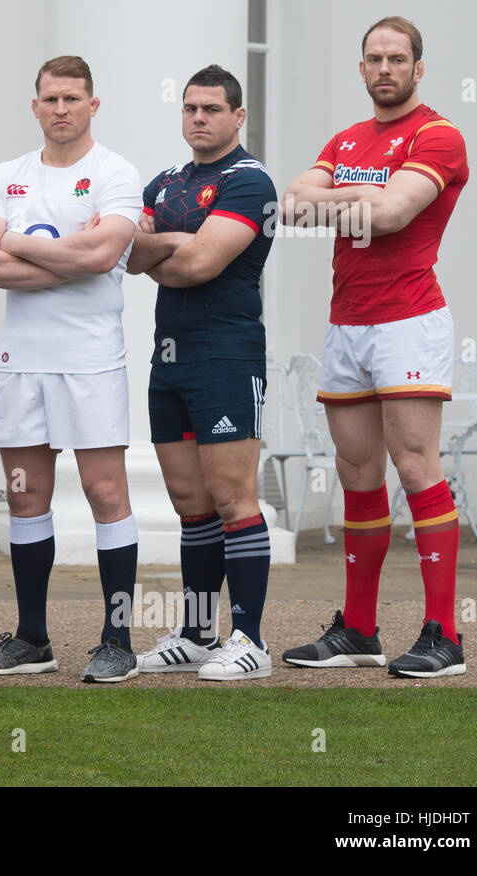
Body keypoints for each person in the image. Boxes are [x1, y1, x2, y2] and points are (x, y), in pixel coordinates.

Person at [281, 16, 469, 678]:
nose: (384, 68)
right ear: (361, 69)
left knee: (416, 468)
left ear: (419, 69)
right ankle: (360, 630)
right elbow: (292, 205)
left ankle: (443, 635)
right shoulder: (346, 137)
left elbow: (393, 215)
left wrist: (347, 197)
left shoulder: (439, 135)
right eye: (373, 58)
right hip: (348, 321)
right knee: (357, 474)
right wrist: (370, 194)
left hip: (407, 321)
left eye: (397, 58)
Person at [0, 55, 144, 683]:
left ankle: (116, 639)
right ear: (35, 106)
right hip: (22, 360)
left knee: (105, 493)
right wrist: (68, 257)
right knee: (26, 498)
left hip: (91, 358)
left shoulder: (116, 172)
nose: (61, 109)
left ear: (93, 105)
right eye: (51, 99)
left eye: (73, 98)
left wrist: (16, 242)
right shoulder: (5, 176)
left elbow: (103, 255)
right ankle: (32, 638)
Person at [126, 65, 278, 681]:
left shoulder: (251, 181)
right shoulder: (165, 182)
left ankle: (250, 640)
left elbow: (200, 264)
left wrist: (163, 247)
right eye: (190, 108)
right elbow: (129, 254)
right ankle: (195, 633)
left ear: (238, 116)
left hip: (227, 352)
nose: (198, 118)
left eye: (212, 109)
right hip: (170, 355)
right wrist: (171, 245)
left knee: (233, 497)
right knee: (189, 501)